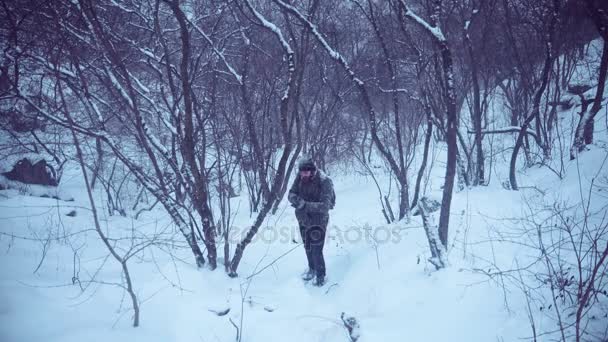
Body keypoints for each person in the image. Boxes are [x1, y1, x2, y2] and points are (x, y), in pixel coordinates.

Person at [288, 156, 335, 286]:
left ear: (312, 170)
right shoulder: (300, 176)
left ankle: (321, 275)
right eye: (301, 172)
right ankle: (312, 269)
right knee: (307, 245)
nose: (303, 174)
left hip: (319, 219)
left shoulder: (325, 181)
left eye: (306, 172)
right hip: (303, 218)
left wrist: (305, 204)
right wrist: (298, 202)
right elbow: (291, 194)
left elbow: (325, 206)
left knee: (316, 248)